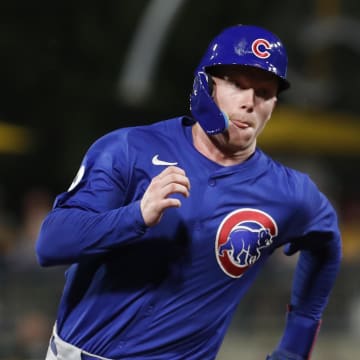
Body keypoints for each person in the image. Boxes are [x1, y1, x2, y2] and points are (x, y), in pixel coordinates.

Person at [36, 24, 342, 360]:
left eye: (264, 93)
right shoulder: (129, 148)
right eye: (237, 84)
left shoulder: (290, 193)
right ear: (205, 84)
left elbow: (326, 242)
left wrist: (294, 348)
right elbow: (51, 244)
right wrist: (136, 215)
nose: (249, 102)